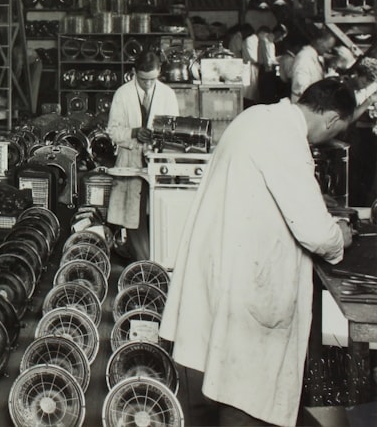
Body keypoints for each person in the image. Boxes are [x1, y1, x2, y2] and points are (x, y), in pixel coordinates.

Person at [159, 78, 359, 427]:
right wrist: (339, 235)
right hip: (248, 282)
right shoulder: (285, 138)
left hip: (227, 268)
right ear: (330, 119)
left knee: (232, 374)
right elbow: (314, 232)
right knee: (250, 388)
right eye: (340, 128)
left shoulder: (259, 118)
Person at [105, 50, 179, 260]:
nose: (148, 84)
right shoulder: (123, 94)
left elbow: (174, 133)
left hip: (157, 161)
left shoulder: (167, 94)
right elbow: (113, 131)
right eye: (143, 79)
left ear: (159, 73)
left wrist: (157, 137)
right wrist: (134, 132)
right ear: (134, 72)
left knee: (156, 214)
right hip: (130, 161)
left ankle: (151, 258)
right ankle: (143, 261)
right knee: (134, 216)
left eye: (152, 79)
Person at [289, 26, 337, 102]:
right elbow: (301, 87)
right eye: (328, 47)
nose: (329, 50)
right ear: (319, 41)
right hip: (303, 102)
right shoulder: (304, 58)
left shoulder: (315, 56)